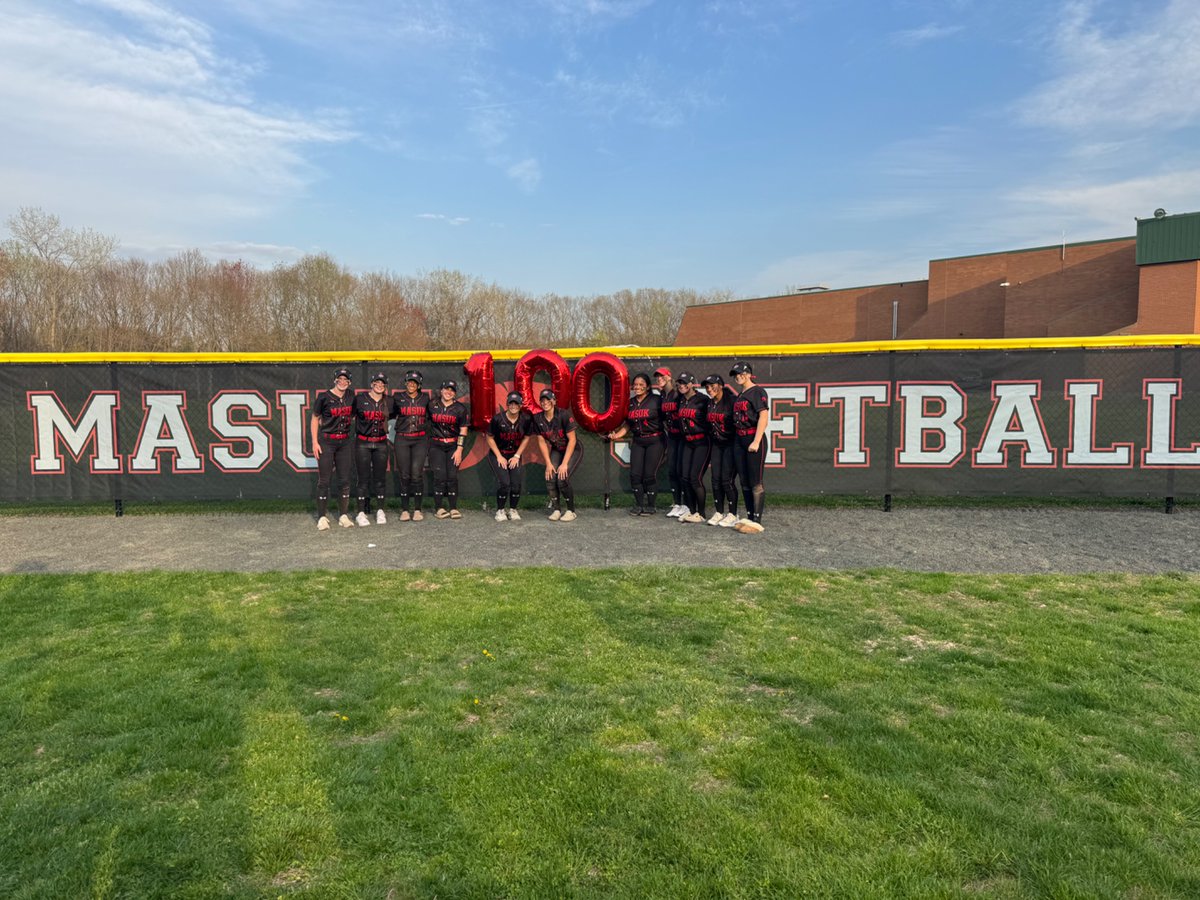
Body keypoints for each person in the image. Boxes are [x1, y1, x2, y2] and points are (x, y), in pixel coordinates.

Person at [607, 372, 665, 516]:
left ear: (648, 387)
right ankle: (639, 505)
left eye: (641, 385)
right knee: (635, 474)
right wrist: (616, 435)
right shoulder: (631, 403)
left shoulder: (657, 400)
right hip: (638, 441)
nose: (638, 387)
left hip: (655, 440)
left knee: (649, 475)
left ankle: (651, 506)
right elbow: (628, 425)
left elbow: (667, 419)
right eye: (635, 385)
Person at [310, 367, 355, 530]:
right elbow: (315, 418)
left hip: (344, 442)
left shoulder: (351, 396)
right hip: (327, 442)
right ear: (335, 380)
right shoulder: (323, 397)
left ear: (349, 382)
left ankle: (343, 515)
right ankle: (322, 517)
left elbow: (355, 414)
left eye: (346, 380)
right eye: (340, 380)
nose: (342, 382)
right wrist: (315, 442)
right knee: (324, 480)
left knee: (344, 480)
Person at [530, 387, 581, 522]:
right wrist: (548, 463)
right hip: (557, 449)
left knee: (562, 478)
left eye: (548, 400)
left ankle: (571, 511)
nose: (545, 402)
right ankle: (557, 509)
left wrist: (564, 464)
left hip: (572, 449)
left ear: (554, 401)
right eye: (542, 400)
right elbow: (541, 442)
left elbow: (572, 440)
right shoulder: (538, 418)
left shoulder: (563, 415)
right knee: (550, 477)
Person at [731, 362, 769, 533]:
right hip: (740, 438)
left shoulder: (757, 391)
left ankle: (757, 520)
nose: (737, 376)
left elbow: (763, 415)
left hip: (753, 437)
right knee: (744, 480)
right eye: (735, 374)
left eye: (740, 373)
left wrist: (756, 440)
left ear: (748, 374)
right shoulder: (741, 394)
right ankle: (749, 516)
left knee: (755, 481)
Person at [486, 391, 533, 521]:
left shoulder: (526, 419)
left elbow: (527, 437)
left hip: (514, 455)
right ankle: (500, 510)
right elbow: (489, 438)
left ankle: (513, 509)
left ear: (520, 404)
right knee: (505, 483)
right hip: (498, 454)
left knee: (516, 484)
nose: (513, 406)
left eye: (516, 403)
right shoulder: (497, 419)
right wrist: (499, 456)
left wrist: (517, 455)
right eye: (511, 403)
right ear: (507, 404)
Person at [353, 372, 392, 525]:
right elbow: (347, 414)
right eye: (377, 382)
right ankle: (361, 512)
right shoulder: (360, 399)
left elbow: (398, 414)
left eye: (382, 383)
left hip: (381, 443)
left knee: (380, 479)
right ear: (371, 383)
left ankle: (380, 510)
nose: (379, 385)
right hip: (363, 442)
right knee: (363, 479)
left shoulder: (389, 401)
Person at [392, 369, 431, 521]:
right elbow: (387, 413)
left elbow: (433, 415)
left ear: (419, 384)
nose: (411, 384)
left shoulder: (425, 398)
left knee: (416, 474)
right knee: (404, 475)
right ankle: (405, 510)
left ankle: (417, 509)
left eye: (414, 382)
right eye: (409, 381)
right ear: (405, 382)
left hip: (420, 439)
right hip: (402, 438)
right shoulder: (397, 397)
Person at [427, 380, 469, 519]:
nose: (448, 392)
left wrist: (459, 450)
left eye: (452, 390)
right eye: (446, 389)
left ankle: (453, 507)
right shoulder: (432, 405)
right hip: (436, 445)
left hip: (453, 445)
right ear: (441, 390)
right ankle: (439, 507)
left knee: (452, 476)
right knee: (439, 476)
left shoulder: (460, 409)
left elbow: (463, 430)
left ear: (455, 393)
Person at [702, 374, 739, 527]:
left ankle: (733, 513)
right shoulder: (710, 403)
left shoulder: (732, 401)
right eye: (707, 387)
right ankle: (719, 511)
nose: (709, 389)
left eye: (712, 385)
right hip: (717, 444)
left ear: (721, 385)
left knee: (727, 480)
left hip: (731, 444)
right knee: (715, 479)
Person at [674, 372, 711, 523]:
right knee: (684, 477)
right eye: (679, 383)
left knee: (695, 478)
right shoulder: (680, 400)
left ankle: (701, 513)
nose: (682, 386)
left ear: (692, 384)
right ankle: (692, 510)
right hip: (687, 441)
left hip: (702, 442)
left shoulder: (703, 400)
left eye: (685, 383)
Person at [655, 367, 686, 517]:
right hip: (672, 437)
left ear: (669, 376)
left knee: (682, 470)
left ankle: (687, 504)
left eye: (662, 376)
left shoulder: (678, 393)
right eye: (657, 377)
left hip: (684, 437)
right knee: (672, 470)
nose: (659, 379)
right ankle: (677, 503)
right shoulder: (662, 394)